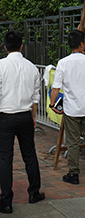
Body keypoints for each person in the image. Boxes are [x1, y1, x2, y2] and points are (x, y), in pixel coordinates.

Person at [50, 30, 85, 185]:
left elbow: (56, 87)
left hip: (71, 109)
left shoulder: (63, 63)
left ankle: (73, 174)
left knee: (73, 142)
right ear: (83, 43)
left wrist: (52, 104)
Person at [0, 31, 45, 214]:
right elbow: (36, 97)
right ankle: (34, 192)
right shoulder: (32, 67)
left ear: (5, 47)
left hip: (5, 116)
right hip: (26, 116)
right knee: (29, 154)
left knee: (5, 158)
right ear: (21, 46)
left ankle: (6, 201)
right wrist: (33, 117)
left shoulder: (1, 66)